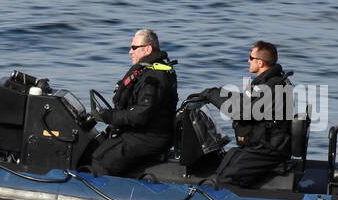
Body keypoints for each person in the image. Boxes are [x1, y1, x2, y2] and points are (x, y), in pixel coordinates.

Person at [196, 40, 293, 188]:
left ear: (260, 63)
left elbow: (241, 112)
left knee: (226, 180)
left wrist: (211, 95)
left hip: (268, 149)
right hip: (260, 145)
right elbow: (243, 100)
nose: (248, 60)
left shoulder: (272, 86)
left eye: (251, 58)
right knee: (224, 164)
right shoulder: (267, 82)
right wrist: (215, 92)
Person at [89, 29, 178, 177]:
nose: (130, 52)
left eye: (134, 48)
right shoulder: (147, 71)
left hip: (151, 136)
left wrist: (109, 116)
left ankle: (107, 195)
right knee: (100, 146)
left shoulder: (155, 77)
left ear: (148, 49)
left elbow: (141, 114)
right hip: (143, 132)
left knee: (102, 160)